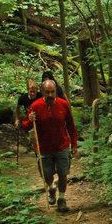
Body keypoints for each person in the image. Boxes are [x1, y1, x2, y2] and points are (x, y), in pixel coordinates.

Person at [23, 79, 78, 213]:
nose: (50, 95)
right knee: (47, 175)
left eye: (52, 92)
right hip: (43, 148)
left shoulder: (63, 105)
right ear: (42, 92)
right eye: (47, 92)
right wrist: (29, 121)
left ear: (55, 92)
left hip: (62, 146)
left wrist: (74, 144)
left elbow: (71, 125)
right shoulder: (35, 106)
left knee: (63, 174)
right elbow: (25, 126)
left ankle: (62, 199)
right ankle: (51, 188)